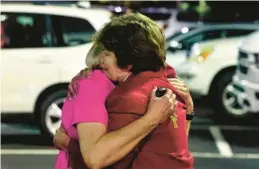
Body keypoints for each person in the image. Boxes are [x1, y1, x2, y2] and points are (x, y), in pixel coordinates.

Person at [55, 13, 194, 169]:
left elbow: (102, 159)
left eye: (106, 53)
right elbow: (175, 150)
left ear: (127, 62)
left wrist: (69, 144)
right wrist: (189, 113)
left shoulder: (128, 98)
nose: (100, 59)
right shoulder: (171, 86)